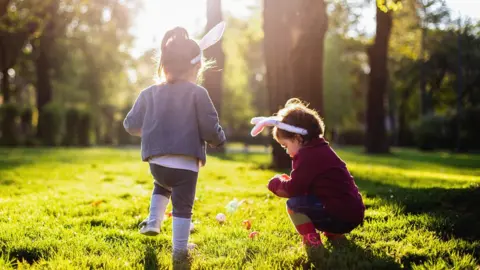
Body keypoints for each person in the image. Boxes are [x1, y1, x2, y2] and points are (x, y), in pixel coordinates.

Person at [123, 26, 226, 262]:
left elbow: (130, 124)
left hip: (157, 163)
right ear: (197, 66)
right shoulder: (198, 93)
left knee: (161, 185)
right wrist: (218, 140)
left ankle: (153, 221)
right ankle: (180, 251)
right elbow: (210, 127)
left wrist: (151, 132)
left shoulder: (148, 93)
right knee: (182, 206)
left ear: (164, 64)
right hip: (186, 165)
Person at [251, 98, 364, 251]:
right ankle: (335, 234)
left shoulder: (307, 156)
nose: (286, 151)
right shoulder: (320, 148)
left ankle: (312, 241)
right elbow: (310, 184)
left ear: (298, 138)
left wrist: (276, 184)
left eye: (286, 145)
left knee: (294, 205)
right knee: (319, 199)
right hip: (353, 212)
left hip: (340, 215)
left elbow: (293, 190)